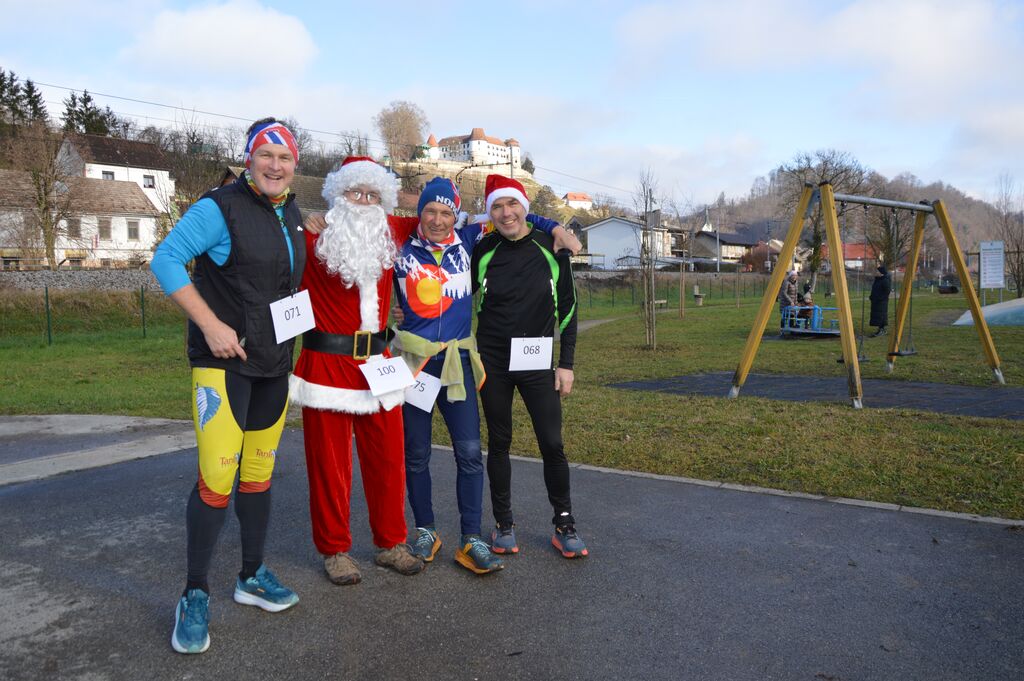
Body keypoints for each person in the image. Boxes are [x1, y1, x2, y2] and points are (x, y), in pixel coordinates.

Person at [151, 118, 304, 654]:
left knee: (258, 476)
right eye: (266, 155)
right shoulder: (219, 207)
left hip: (273, 365)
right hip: (224, 365)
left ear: (295, 166)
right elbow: (165, 259)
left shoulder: (292, 213)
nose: (275, 166)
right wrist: (210, 325)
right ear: (248, 159)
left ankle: (251, 575)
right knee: (218, 479)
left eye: (285, 158)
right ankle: (194, 594)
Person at [393, 177, 577, 574]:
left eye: (446, 212)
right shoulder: (399, 245)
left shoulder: (470, 238)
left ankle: (472, 537)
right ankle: (425, 530)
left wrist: (554, 226)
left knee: (470, 453)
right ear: (419, 213)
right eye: (430, 211)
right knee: (416, 454)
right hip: (415, 365)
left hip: (458, 363)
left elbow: (514, 217)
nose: (438, 220)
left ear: (456, 215)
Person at [288, 156, 426, 586]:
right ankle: (334, 550)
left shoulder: (391, 231)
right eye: (355, 192)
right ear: (338, 195)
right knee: (329, 467)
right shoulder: (311, 237)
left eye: (372, 195)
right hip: (327, 368)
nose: (364, 201)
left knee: (389, 461)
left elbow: (442, 214)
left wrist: (548, 226)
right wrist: (300, 217)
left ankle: (391, 543)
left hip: (380, 366)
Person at [470, 174, 587, 559]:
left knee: (552, 442)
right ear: (490, 213)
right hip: (493, 363)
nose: (506, 213)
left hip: (537, 361)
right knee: (499, 442)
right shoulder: (482, 250)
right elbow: (455, 295)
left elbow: (568, 309)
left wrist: (566, 364)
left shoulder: (551, 248)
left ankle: (564, 523)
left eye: (512, 205)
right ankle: (504, 524)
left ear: (524, 208)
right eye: (498, 207)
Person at [869, 264, 891, 336]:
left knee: (881, 315)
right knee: (877, 316)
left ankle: (882, 330)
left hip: (881, 302)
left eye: (877, 271)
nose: (876, 272)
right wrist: (872, 297)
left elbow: (887, 291)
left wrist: (880, 298)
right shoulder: (878, 280)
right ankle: (880, 329)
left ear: (881, 273)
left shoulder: (885, 280)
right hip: (875, 301)